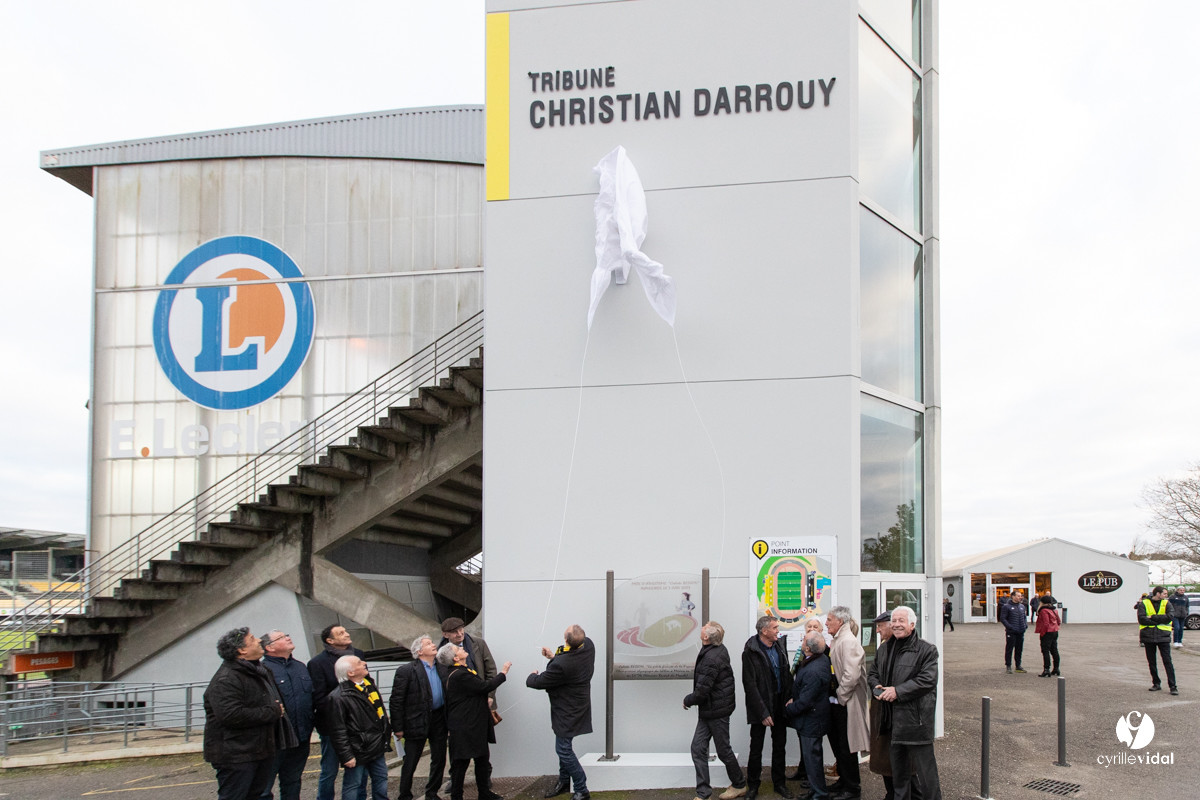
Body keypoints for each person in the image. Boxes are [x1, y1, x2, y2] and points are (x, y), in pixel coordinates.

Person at [203, 627, 284, 800]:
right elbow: (230, 715)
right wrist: (272, 711)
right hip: (236, 755)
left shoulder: (258, 671)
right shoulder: (227, 679)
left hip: (258, 750)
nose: (259, 640)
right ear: (242, 650)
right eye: (253, 639)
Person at [870, 607, 942, 800]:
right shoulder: (884, 648)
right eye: (894, 621)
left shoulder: (926, 650)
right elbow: (873, 673)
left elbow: (927, 680)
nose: (896, 624)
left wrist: (897, 691)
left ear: (912, 624)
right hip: (892, 724)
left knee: (927, 776)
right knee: (899, 777)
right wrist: (876, 687)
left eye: (901, 620)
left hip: (916, 724)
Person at [527, 624, 596, 800]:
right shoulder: (588, 646)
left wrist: (532, 674)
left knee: (563, 749)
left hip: (567, 710)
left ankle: (581, 788)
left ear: (566, 640)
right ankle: (564, 781)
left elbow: (536, 682)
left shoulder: (562, 664)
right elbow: (566, 659)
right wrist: (553, 656)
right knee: (564, 744)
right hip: (578, 705)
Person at [684, 621, 747, 800]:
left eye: (704, 627)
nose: (701, 627)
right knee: (698, 748)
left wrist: (688, 700)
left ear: (706, 637)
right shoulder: (715, 650)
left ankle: (739, 784)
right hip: (710, 709)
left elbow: (702, 690)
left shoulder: (711, 658)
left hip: (716, 710)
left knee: (723, 750)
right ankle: (704, 793)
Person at [441, 643, 512, 800]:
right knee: (461, 763)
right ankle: (457, 796)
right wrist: (503, 672)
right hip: (466, 726)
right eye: (458, 649)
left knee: (481, 759)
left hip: (473, 724)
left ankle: (484, 792)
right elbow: (484, 686)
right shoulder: (459, 675)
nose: (462, 648)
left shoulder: (462, 671)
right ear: (456, 658)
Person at [316, 656, 392, 800]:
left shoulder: (369, 686)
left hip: (376, 744)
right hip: (357, 749)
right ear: (350, 673)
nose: (364, 663)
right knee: (353, 784)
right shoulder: (338, 697)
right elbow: (338, 730)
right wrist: (347, 756)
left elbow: (380, 714)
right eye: (359, 663)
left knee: (381, 778)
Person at [309, 625, 366, 800]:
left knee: (360, 768)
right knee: (330, 770)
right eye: (341, 633)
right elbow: (319, 699)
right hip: (332, 726)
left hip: (359, 725)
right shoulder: (318, 663)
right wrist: (345, 711)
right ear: (330, 640)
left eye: (346, 631)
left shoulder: (358, 655)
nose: (347, 634)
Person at [390, 635, 449, 800]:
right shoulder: (406, 670)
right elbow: (396, 701)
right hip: (416, 720)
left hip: (438, 718)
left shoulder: (443, 667)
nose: (433, 645)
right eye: (428, 644)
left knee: (439, 758)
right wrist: (398, 727)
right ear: (419, 651)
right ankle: (405, 794)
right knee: (411, 760)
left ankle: (432, 792)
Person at [741, 615, 793, 800]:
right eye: (775, 628)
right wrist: (763, 712)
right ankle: (753, 786)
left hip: (779, 704)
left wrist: (790, 696)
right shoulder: (750, 651)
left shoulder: (779, 646)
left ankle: (779, 784)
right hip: (760, 705)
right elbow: (750, 685)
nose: (778, 631)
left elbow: (786, 674)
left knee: (780, 746)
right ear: (764, 631)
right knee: (756, 747)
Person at [260, 631, 314, 800]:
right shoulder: (263, 670)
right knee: (263, 787)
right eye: (282, 637)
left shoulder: (300, 667)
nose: (288, 638)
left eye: (287, 635)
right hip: (276, 740)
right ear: (269, 647)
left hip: (300, 737)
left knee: (293, 782)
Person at [825, 607, 868, 800]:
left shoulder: (848, 641)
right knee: (839, 744)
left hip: (846, 703)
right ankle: (843, 781)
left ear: (840, 622)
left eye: (829, 620)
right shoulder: (839, 639)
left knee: (847, 746)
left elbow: (852, 675)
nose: (826, 623)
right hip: (839, 702)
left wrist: (841, 696)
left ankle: (852, 788)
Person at [784, 632, 831, 800]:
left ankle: (819, 794)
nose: (802, 641)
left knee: (812, 760)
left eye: (804, 640)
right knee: (812, 759)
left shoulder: (814, 670)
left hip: (812, 721)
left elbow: (806, 701)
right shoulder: (818, 659)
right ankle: (815, 791)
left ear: (808, 648)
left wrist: (788, 709)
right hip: (813, 719)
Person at [1138, 586, 1178, 695]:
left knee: (1167, 661)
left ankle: (1173, 686)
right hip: (1148, 636)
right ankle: (1156, 683)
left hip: (1163, 636)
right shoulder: (1144, 603)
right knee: (1152, 662)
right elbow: (1142, 619)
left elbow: (1169, 617)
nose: (1166, 595)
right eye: (1164, 593)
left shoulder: (1167, 603)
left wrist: (1153, 617)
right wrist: (1159, 620)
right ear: (1158, 593)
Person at [998, 591, 1028, 674]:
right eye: (1018, 596)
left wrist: (1025, 625)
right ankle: (1008, 666)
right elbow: (1003, 618)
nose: (1020, 597)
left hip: (1020, 631)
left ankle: (1018, 666)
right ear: (1013, 596)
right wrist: (1010, 627)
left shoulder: (1022, 606)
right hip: (1011, 632)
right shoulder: (1006, 607)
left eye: (1020, 596)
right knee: (1009, 649)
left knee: (1019, 649)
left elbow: (1024, 617)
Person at [1034, 595, 1061, 677]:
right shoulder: (1054, 610)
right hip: (1055, 631)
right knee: (1054, 650)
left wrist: (1042, 633)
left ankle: (1046, 669)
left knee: (1045, 651)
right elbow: (1059, 621)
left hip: (1047, 632)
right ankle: (1056, 668)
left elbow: (1046, 623)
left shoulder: (1044, 610)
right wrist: (1055, 627)